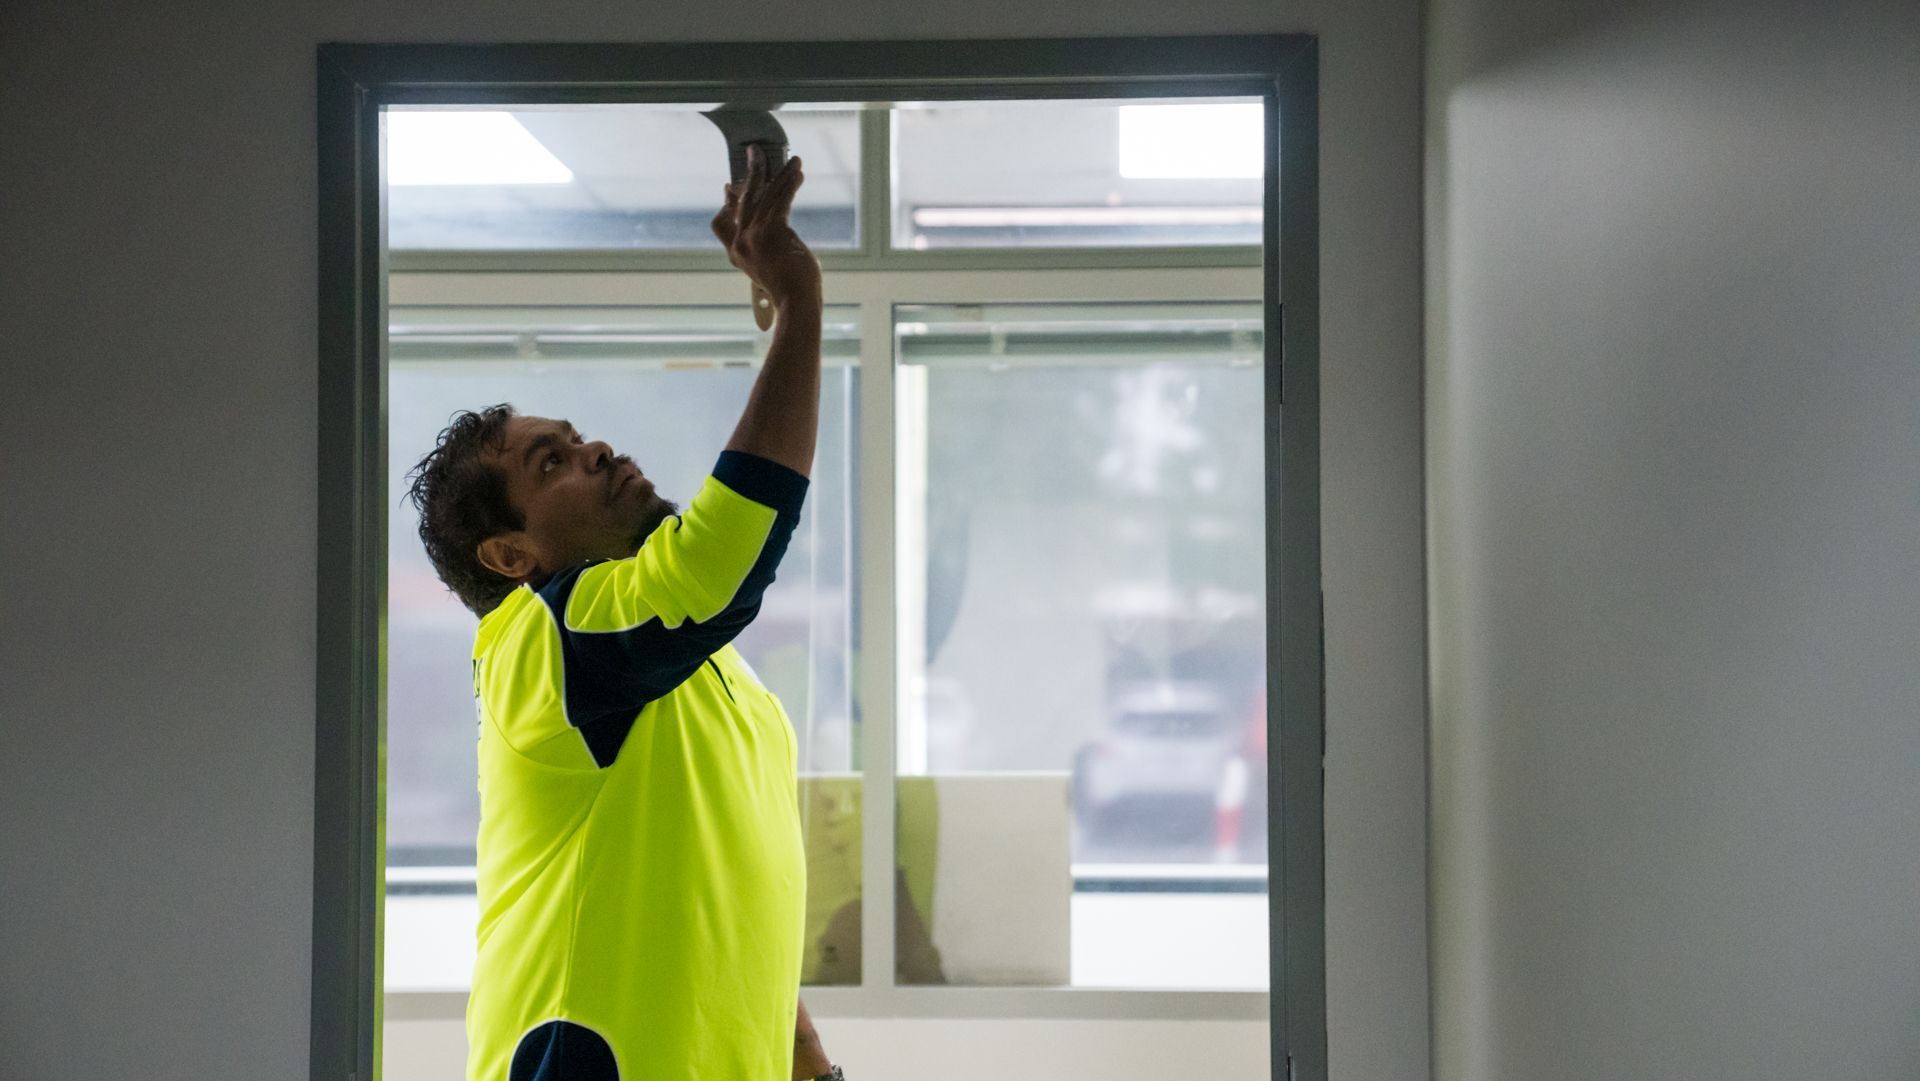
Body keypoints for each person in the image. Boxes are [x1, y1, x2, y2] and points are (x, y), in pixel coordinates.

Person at [404, 144, 841, 1081]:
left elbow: (724, 872)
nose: (594, 448)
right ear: (511, 555)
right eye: (550, 463)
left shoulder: (697, 666)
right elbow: (722, 556)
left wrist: (807, 1056)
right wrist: (801, 307)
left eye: (575, 437)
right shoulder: (535, 649)